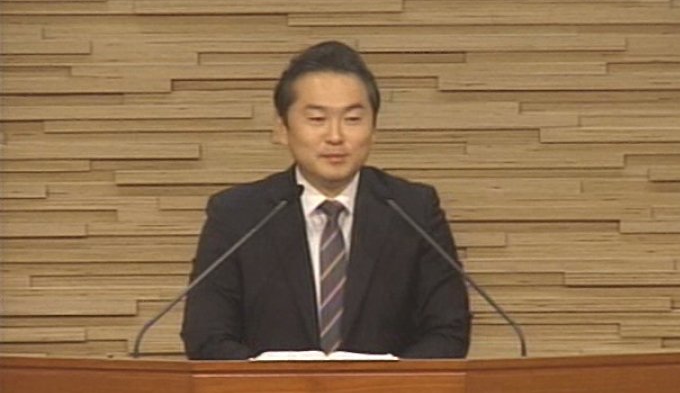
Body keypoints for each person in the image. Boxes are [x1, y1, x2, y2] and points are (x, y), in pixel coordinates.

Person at [181, 40, 470, 360]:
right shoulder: (238, 215)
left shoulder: (412, 210)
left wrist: (385, 381)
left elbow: (448, 332)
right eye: (317, 119)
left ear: (374, 128)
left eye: (352, 119)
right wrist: (277, 380)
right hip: (268, 392)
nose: (335, 136)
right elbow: (206, 336)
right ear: (282, 129)